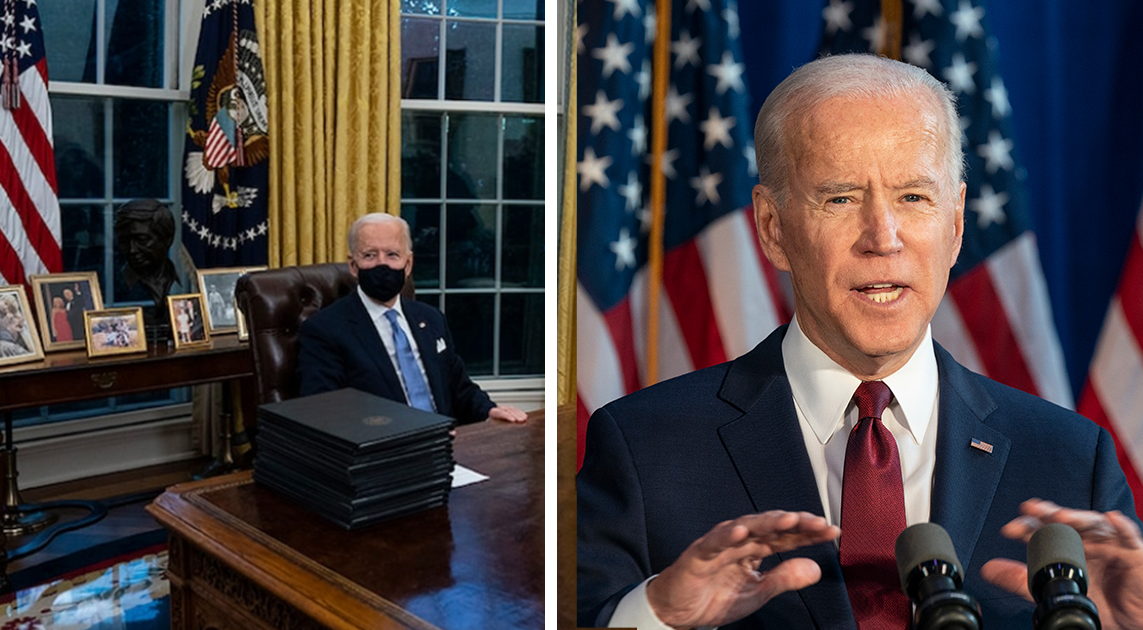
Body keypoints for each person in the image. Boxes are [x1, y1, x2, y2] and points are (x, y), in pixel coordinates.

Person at [577, 54, 1143, 630]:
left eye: (913, 197)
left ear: (954, 226)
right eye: (841, 198)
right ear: (773, 229)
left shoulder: (1073, 462)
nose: (882, 238)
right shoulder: (645, 448)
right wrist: (657, 616)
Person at [298, 213, 529, 425]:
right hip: (387, 449)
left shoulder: (431, 319)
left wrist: (489, 410)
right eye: (369, 255)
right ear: (353, 266)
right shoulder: (324, 330)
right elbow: (327, 414)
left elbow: (458, 387)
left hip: (447, 442)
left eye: (392, 255)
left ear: (408, 264)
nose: (382, 264)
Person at [115, 198, 178, 315]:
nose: (132, 250)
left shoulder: (180, 282)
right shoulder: (113, 288)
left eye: (142, 240)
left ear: (167, 239)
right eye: (124, 241)